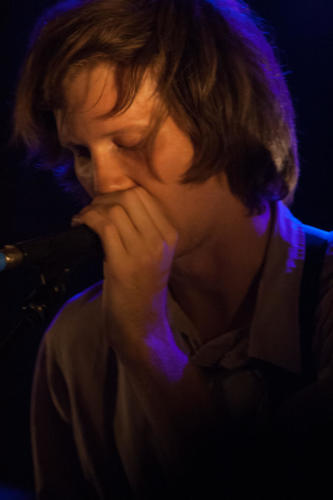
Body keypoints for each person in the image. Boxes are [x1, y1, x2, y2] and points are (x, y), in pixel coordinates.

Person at [13, 0, 333, 498]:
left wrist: (146, 340)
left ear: (225, 126)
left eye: (132, 141)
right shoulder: (76, 339)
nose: (103, 182)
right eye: (81, 153)